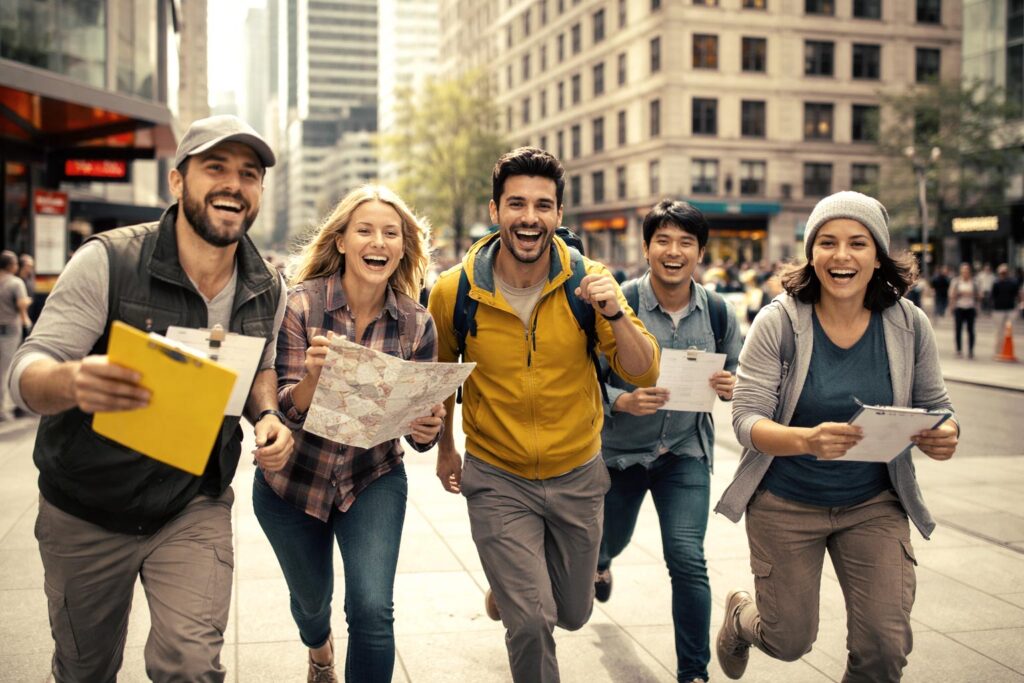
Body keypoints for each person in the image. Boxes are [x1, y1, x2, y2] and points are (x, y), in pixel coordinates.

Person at [6, 114, 294, 682]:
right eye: (216, 167)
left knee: (190, 665)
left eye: (249, 173)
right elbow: (27, 368)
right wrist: (71, 381)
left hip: (193, 504)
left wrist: (268, 415)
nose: (234, 184)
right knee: (85, 670)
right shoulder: (108, 261)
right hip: (86, 508)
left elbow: (260, 365)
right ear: (177, 181)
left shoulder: (268, 285)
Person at [428, 147, 660, 683]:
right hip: (497, 475)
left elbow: (644, 370)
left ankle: (510, 588)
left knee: (573, 613)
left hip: (577, 472)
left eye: (542, 205)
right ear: (495, 210)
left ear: (558, 214)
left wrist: (614, 312)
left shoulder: (589, 281)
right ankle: (517, 593)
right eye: (516, 204)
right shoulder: (454, 291)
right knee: (532, 621)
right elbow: (438, 378)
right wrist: (445, 449)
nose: (529, 217)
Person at [714, 191, 959, 682]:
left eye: (857, 243)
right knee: (789, 641)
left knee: (884, 649)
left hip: (873, 503)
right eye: (827, 242)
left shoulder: (909, 324)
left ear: (878, 256)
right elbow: (746, 419)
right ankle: (741, 618)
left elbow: (939, 409)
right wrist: (806, 440)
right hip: (786, 502)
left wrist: (945, 433)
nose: (841, 255)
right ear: (811, 253)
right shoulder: (779, 321)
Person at [253, 185, 445, 682]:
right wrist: (313, 380)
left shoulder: (417, 324)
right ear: (341, 241)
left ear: (402, 248)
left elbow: (419, 437)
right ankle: (319, 652)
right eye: (365, 230)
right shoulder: (300, 306)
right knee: (311, 604)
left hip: (372, 477)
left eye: (390, 233)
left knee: (373, 610)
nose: (378, 241)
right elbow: (282, 409)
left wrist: (428, 427)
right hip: (293, 482)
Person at [594, 200, 741, 683]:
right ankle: (601, 562)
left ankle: (693, 672)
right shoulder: (617, 304)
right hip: (620, 455)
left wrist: (732, 386)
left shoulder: (718, 312)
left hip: (684, 453)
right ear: (646, 247)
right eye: (663, 240)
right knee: (609, 540)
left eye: (685, 242)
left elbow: (739, 374)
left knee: (687, 558)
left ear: (700, 252)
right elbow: (584, 379)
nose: (673, 251)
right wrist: (622, 400)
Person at [0, 250, 32, 420]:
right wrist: (27, 301)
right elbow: (21, 305)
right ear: (11, 265)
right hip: (10, 330)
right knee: (6, 370)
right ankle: (4, 410)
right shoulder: (16, 283)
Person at [949, 262, 980, 359]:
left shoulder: (974, 282)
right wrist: (959, 294)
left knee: (971, 330)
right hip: (959, 307)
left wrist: (972, 294)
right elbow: (951, 295)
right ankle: (959, 350)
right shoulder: (956, 282)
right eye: (963, 271)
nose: (965, 273)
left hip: (970, 307)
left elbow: (979, 296)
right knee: (958, 329)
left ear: (969, 272)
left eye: (967, 271)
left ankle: (971, 350)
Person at [991, 263, 1020, 354]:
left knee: (1010, 331)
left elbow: (1017, 294)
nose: (1003, 274)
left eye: (1005, 272)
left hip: (1010, 309)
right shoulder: (996, 283)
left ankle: (1008, 350)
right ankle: (998, 351)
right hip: (998, 310)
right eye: (1002, 273)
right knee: (998, 331)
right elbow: (993, 295)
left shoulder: (1013, 283)